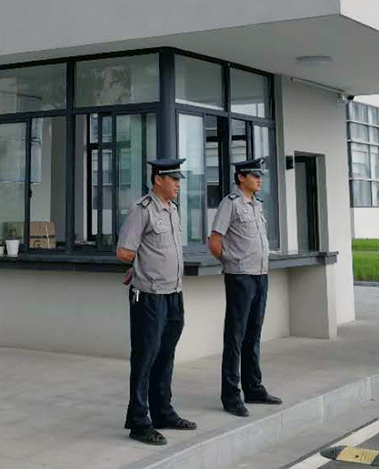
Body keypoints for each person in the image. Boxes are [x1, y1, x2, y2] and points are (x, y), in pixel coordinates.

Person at [116, 157, 197, 446]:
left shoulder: (172, 210)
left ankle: (162, 411)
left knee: (166, 355)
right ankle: (139, 421)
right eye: (173, 179)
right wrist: (140, 266)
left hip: (173, 294)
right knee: (145, 358)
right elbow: (124, 251)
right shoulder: (143, 209)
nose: (178, 184)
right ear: (158, 180)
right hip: (149, 296)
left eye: (178, 179)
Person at [208, 156, 282, 417]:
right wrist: (232, 263)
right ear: (241, 177)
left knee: (254, 333)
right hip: (240, 276)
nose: (259, 180)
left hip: (260, 275)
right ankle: (231, 395)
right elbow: (214, 241)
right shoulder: (230, 204)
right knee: (235, 336)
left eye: (260, 176)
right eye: (255, 175)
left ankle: (253, 388)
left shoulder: (257, 205)